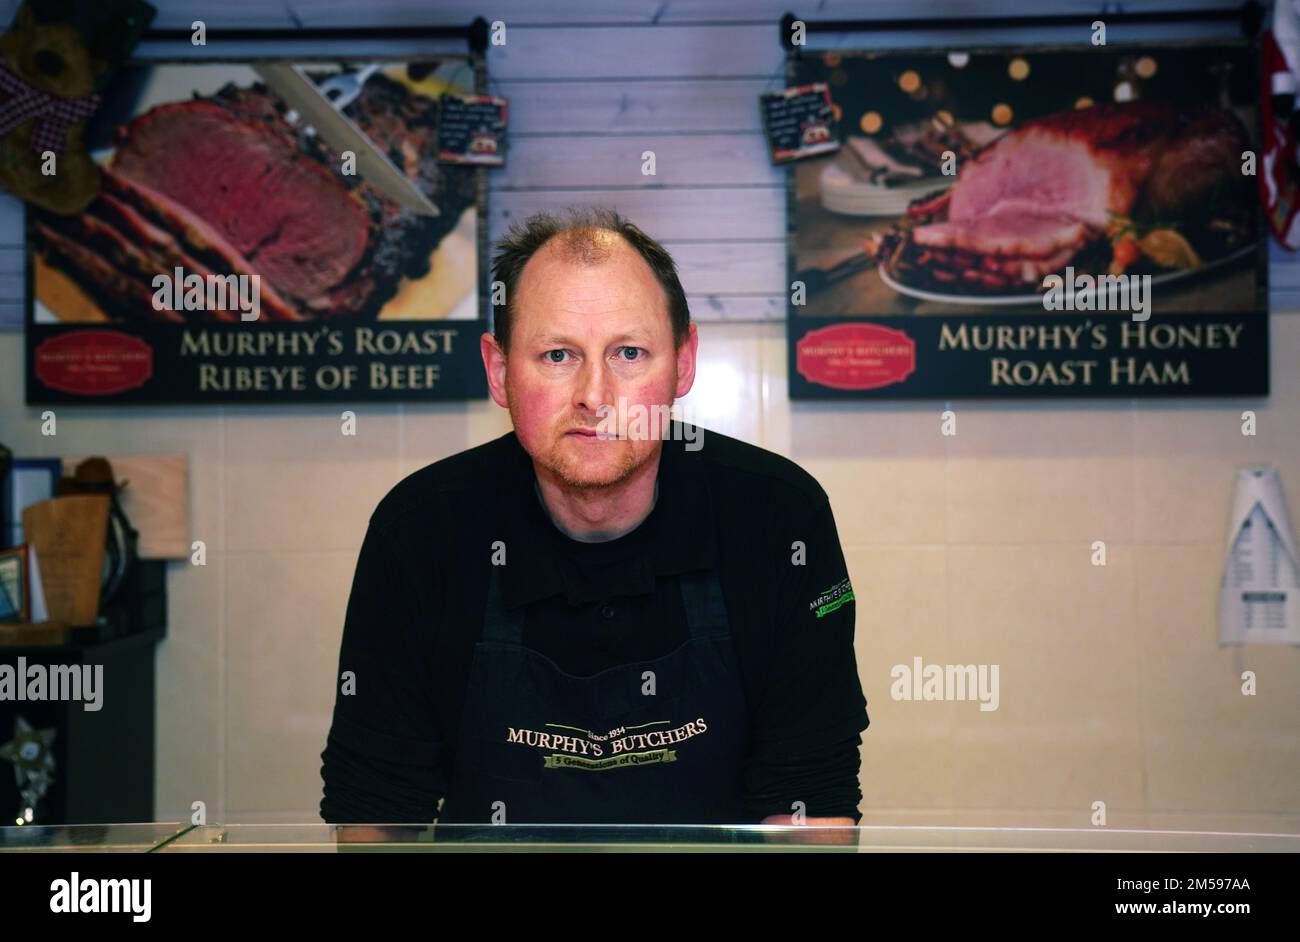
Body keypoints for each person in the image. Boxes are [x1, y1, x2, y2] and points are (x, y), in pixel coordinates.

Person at [320, 207, 869, 839]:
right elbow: (378, 806)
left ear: (684, 363)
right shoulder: (420, 530)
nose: (594, 395)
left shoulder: (777, 517)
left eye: (629, 353)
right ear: (500, 372)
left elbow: (811, 797)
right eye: (557, 355)